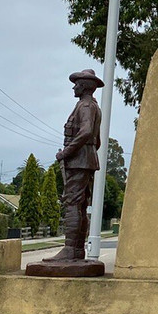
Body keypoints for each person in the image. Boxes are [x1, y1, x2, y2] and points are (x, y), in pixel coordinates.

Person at [44, 68, 103, 262]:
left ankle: (70, 249)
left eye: (77, 83)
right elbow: (98, 141)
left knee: (72, 203)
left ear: (85, 86)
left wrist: (66, 153)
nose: (74, 87)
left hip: (79, 160)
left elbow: (86, 132)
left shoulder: (85, 106)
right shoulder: (92, 107)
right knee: (80, 204)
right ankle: (77, 250)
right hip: (86, 159)